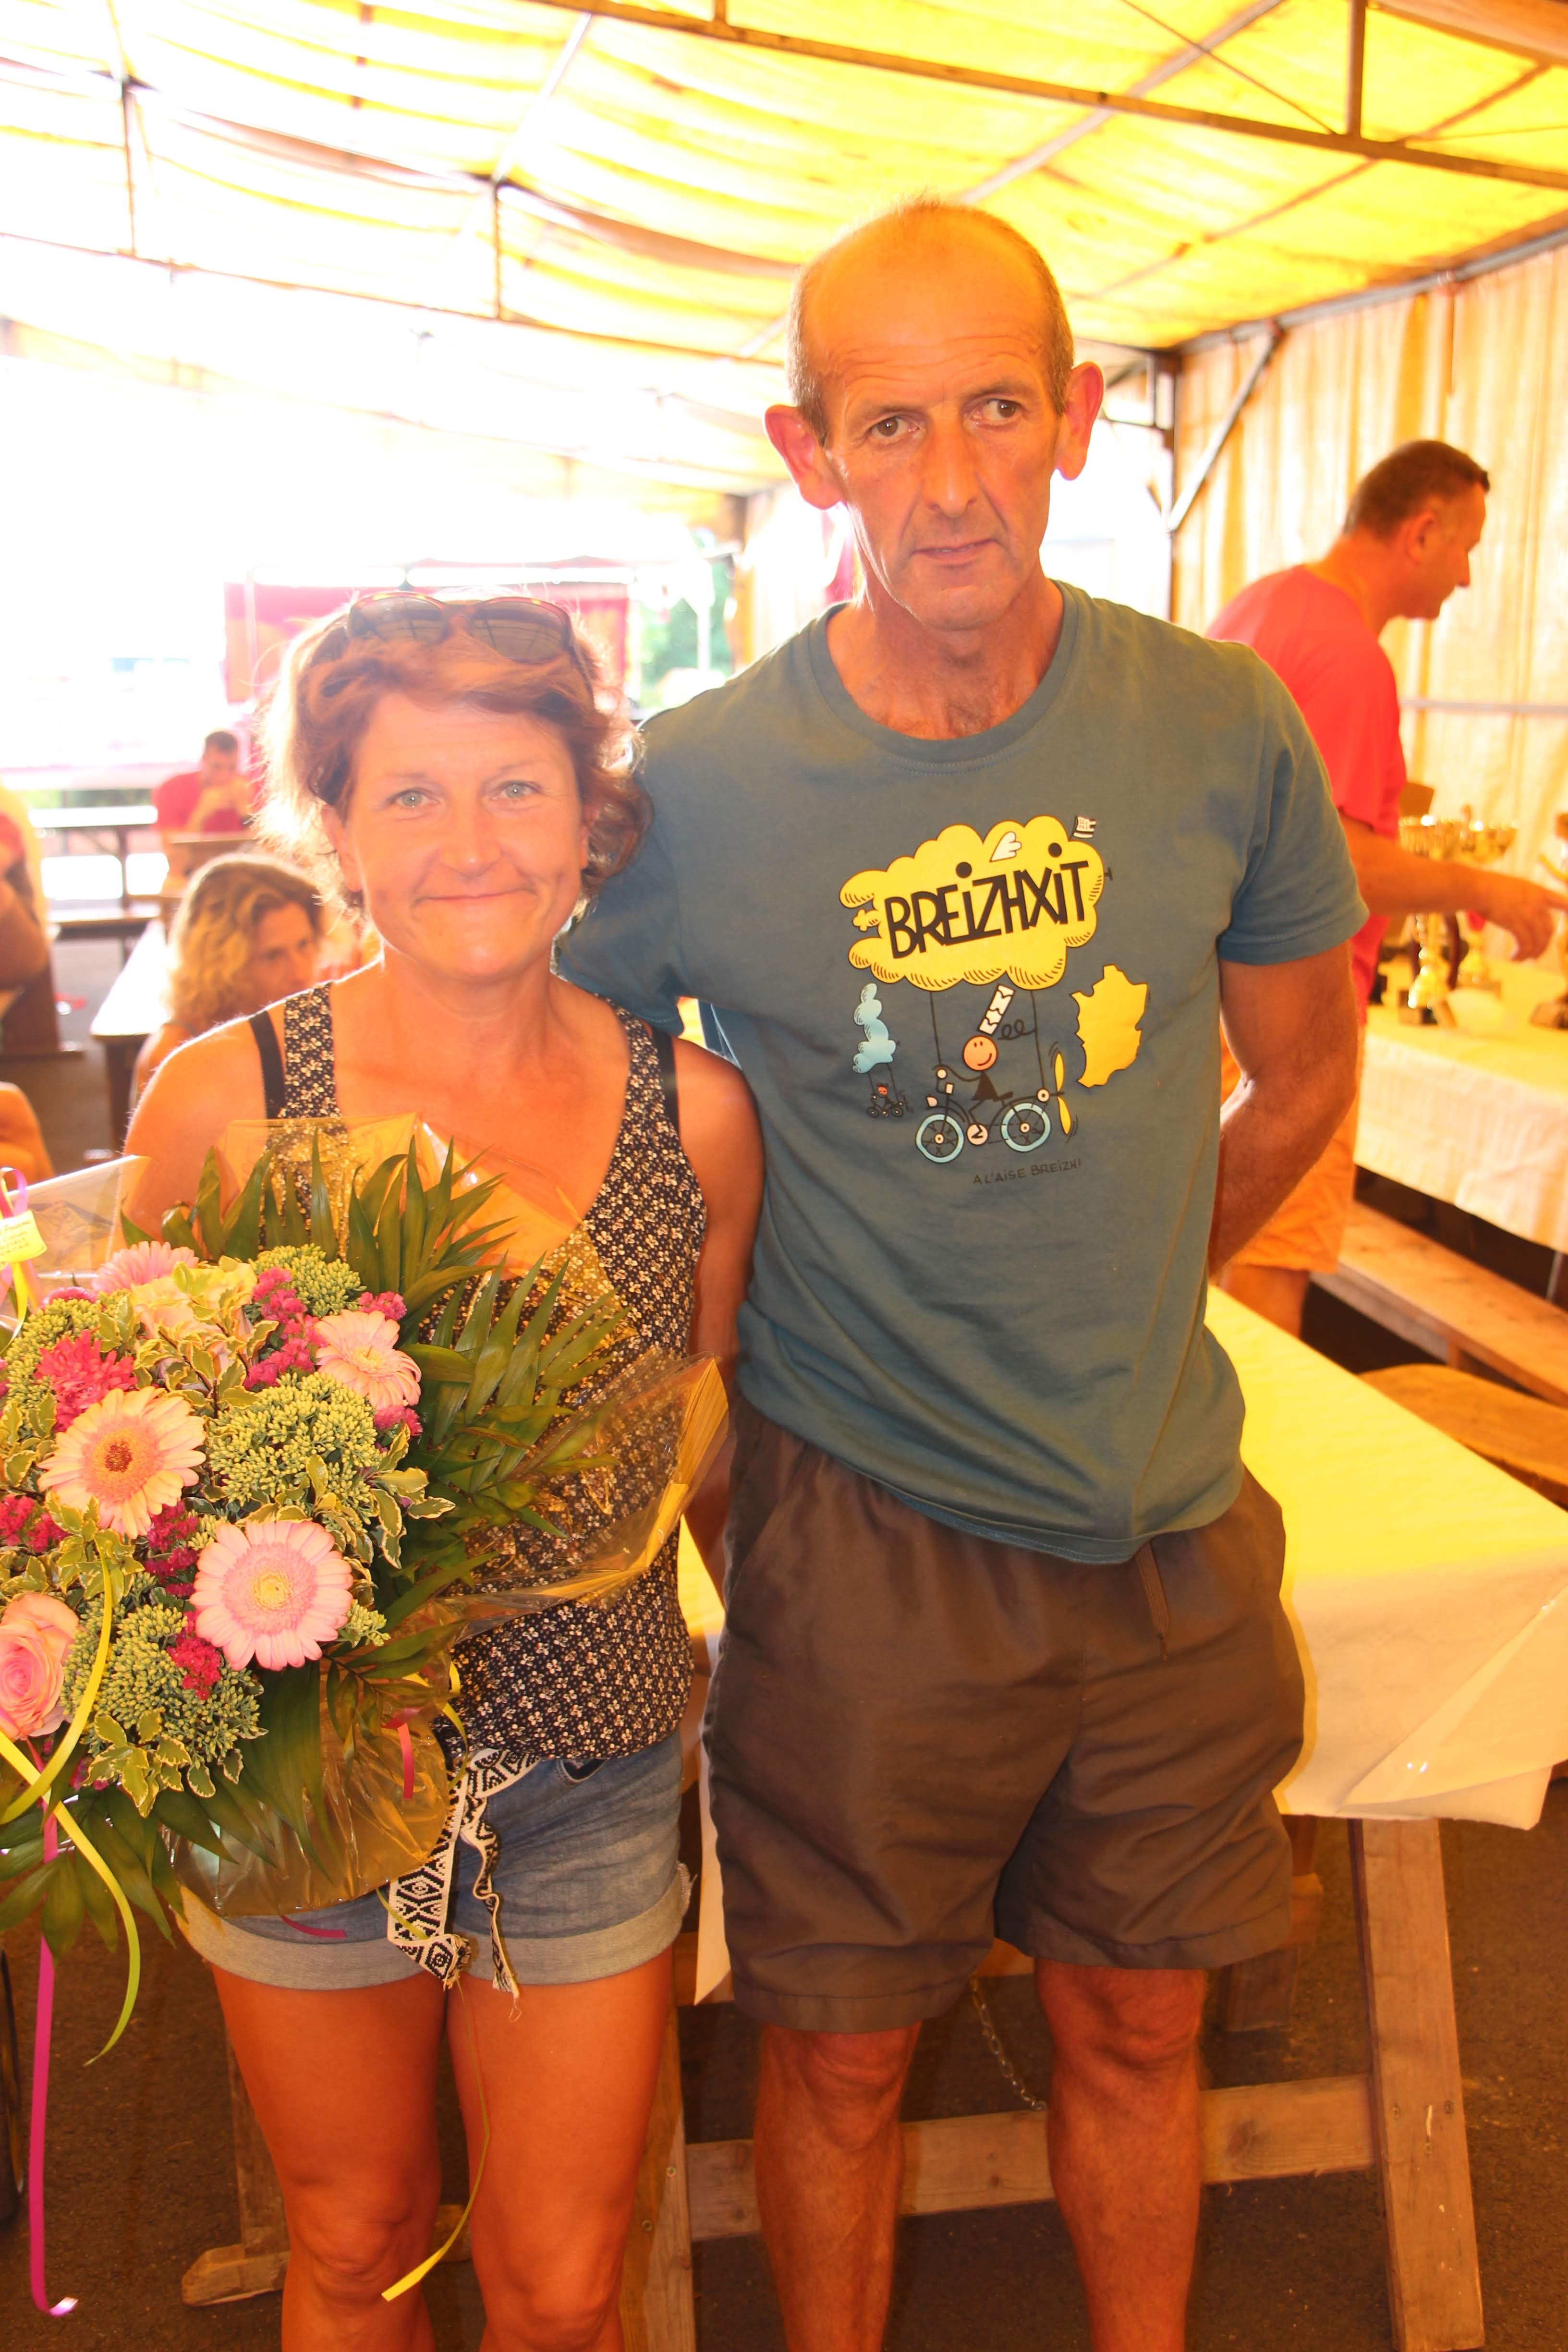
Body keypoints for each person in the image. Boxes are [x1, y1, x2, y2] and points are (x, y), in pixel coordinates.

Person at [558, 196, 1364, 2352]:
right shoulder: (700, 789)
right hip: (860, 1534)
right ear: (806, 450)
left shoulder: (1217, 720)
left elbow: (1302, 1074)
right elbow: (567, 1101)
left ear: (1076, 416)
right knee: (838, 2052)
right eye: (888, 423)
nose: (947, 483)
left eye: (995, 409)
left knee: (1139, 2022)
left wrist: (1131, 1288)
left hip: (1165, 1528)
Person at [125, 593, 762, 2352]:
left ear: (586, 822)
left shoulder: (698, 1117)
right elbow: (129, 1462)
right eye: (410, 794)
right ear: (334, 829)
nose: (469, 843)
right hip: (310, 1766)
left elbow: (705, 1438)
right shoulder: (219, 1106)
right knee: (355, 2239)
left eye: (515, 788)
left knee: (564, 2285)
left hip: (589, 1764)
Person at [1208, 440, 1567, 1334]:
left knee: (1199, 1252)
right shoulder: (1348, 655)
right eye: (1468, 547)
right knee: (1269, 1270)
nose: (1469, 576)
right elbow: (1344, 868)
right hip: (1294, 1018)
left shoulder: (1262, 605)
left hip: (1210, 989)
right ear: (1422, 531)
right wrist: (1486, 888)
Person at [133, 852, 323, 1098]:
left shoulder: (289, 1021)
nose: (300, 973)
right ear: (222, 964)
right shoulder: (177, 1054)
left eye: (304, 945)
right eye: (273, 956)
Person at [154, 727, 256, 873]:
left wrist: (246, 815)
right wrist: (201, 814)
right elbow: (177, 864)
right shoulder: (172, 789)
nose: (224, 776)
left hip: (239, 874)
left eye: (231, 768)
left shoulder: (248, 789)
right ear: (204, 760)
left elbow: (266, 858)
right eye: (217, 767)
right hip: (189, 874)